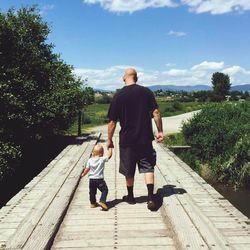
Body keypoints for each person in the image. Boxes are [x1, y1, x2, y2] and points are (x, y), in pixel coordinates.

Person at [107, 68, 164, 210]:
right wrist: (160, 131)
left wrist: (109, 140)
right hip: (145, 137)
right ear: (136, 78)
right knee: (147, 166)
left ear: (124, 78)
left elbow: (112, 122)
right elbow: (156, 112)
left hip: (127, 139)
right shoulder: (146, 92)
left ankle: (131, 197)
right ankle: (151, 197)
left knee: (128, 168)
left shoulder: (119, 95)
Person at [81, 144, 112, 211]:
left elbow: (87, 169)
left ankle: (93, 203)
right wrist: (110, 148)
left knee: (92, 192)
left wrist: (83, 174)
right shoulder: (102, 159)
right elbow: (109, 156)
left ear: (92, 153)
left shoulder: (90, 160)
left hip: (91, 180)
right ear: (102, 153)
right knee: (104, 190)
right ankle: (102, 201)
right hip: (99, 180)